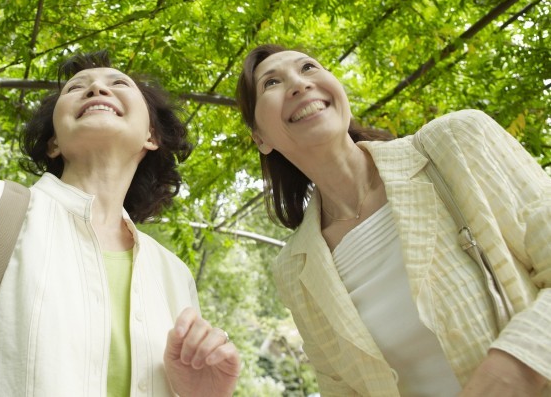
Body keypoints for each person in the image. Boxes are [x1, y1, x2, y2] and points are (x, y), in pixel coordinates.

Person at [0, 51, 240, 396]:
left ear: (151, 136)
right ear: (54, 143)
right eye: (77, 88)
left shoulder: (173, 275)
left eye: (118, 83)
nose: (96, 88)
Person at [235, 43, 550, 396]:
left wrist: (511, 371)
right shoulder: (295, 269)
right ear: (260, 138)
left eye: (308, 68)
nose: (299, 84)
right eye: (271, 83)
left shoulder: (456, 142)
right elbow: (341, 388)